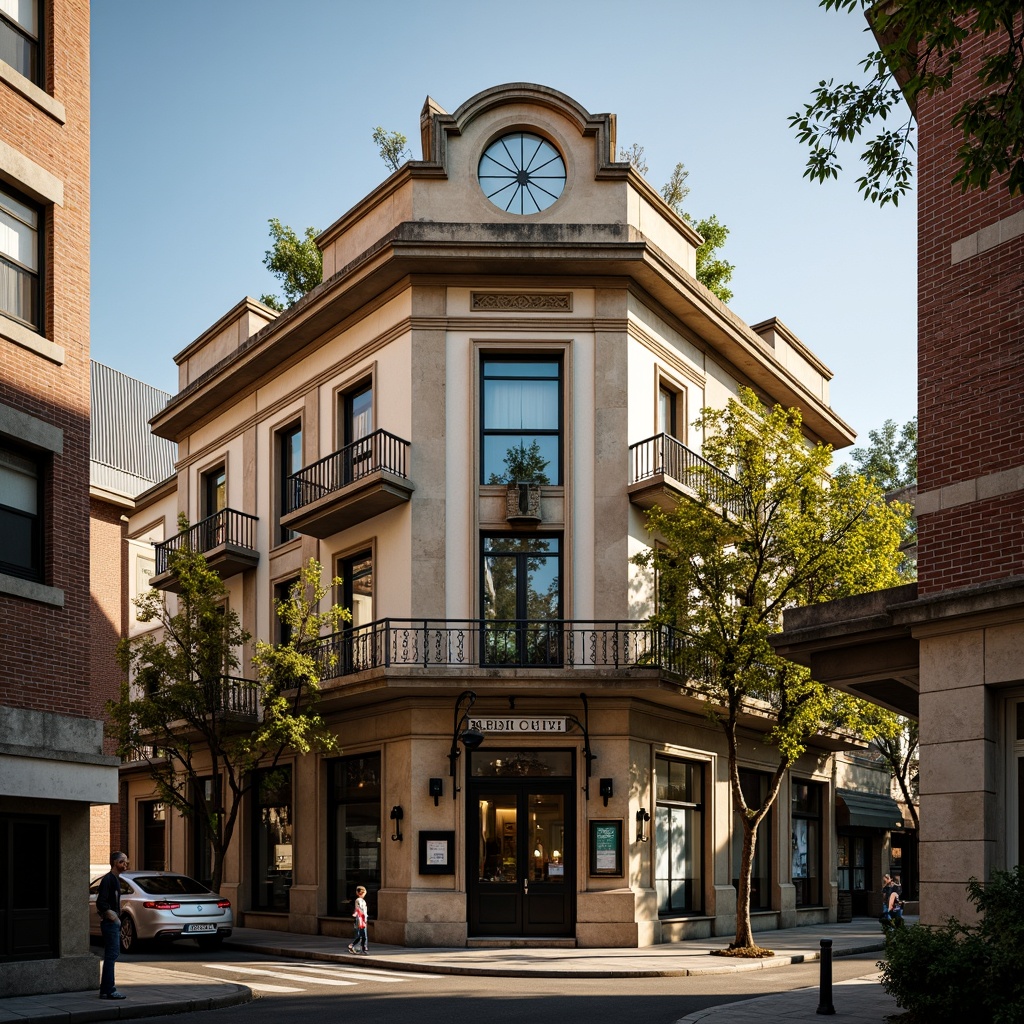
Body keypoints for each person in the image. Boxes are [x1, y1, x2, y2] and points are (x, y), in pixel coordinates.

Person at [96, 852, 129, 1000]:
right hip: (110, 924)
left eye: (126, 862)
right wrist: (113, 917)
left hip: (112, 924)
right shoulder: (108, 879)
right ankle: (109, 990)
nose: (125, 865)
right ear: (115, 862)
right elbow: (101, 903)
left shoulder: (115, 879)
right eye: (122, 862)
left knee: (112, 955)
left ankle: (106, 990)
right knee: (111, 955)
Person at [348, 885, 368, 954]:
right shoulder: (359, 900)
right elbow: (359, 910)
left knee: (361, 936)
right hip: (361, 920)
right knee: (364, 936)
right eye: (364, 893)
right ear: (361, 893)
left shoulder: (362, 901)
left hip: (362, 919)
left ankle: (353, 945)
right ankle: (363, 948)